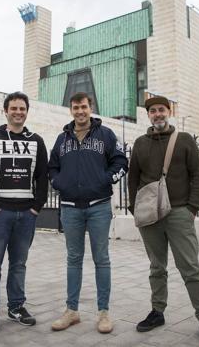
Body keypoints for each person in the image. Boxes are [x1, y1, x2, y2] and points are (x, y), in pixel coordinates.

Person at [127, 95, 199, 345]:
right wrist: (133, 207)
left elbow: (197, 175)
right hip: (150, 216)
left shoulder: (185, 140)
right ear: (148, 115)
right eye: (153, 111)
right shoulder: (140, 143)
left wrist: (192, 207)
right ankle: (157, 312)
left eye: (161, 110)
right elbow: (132, 178)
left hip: (179, 212)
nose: (157, 114)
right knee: (157, 267)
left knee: (190, 267)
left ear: (169, 112)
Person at [48, 92, 128, 334]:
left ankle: (103, 313)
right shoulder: (62, 139)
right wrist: (59, 183)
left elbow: (122, 162)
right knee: (73, 259)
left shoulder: (105, 135)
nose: (80, 111)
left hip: (99, 207)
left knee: (101, 259)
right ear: (71, 110)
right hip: (70, 208)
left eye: (84, 107)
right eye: (75, 107)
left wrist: (104, 180)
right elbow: (52, 167)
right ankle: (72, 311)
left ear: (90, 107)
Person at [0, 91, 48, 334]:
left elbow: (42, 177)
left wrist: (37, 207)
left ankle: (16, 307)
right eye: (14, 108)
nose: (18, 112)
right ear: (5, 111)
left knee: (19, 264)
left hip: (26, 214)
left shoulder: (36, 141)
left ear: (27, 112)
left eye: (22, 109)